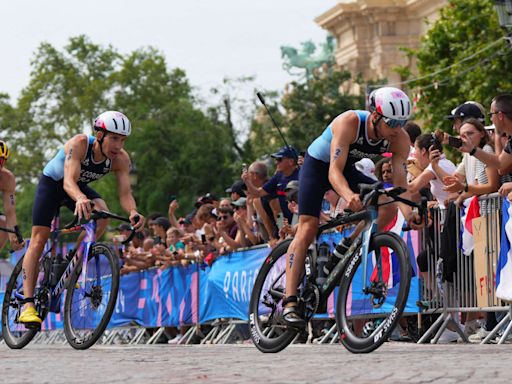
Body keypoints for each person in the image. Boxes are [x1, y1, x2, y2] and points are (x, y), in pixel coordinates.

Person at [281, 86, 423, 327]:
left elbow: (400, 185)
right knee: (308, 227)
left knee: (387, 204)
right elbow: (333, 171)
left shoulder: (399, 139)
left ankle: (347, 246)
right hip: (319, 167)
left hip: (348, 168)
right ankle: (289, 300)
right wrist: (348, 195)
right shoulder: (350, 122)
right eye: (392, 122)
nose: (397, 129)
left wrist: (410, 214)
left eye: (402, 122)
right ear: (375, 116)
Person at [19, 111, 145, 327]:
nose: (118, 145)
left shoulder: (121, 159)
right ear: (99, 135)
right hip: (54, 185)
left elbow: (125, 194)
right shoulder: (79, 144)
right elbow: (68, 181)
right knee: (39, 239)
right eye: (114, 138)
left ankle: (72, 265)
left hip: (78, 188)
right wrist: (79, 198)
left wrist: (133, 211)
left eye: (123, 140)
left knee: (102, 214)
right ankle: (28, 305)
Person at [0, 140, 23, 251]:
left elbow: (10, 212)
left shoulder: (7, 179)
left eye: (1, 161)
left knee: (3, 221)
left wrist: (15, 234)